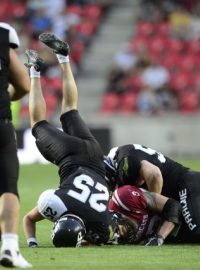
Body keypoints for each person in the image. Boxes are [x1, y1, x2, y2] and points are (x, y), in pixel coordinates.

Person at [23, 33, 116, 248]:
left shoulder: (101, 227)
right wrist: (32, 244)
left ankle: (64, 58)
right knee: (38, 123)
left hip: (95, 156)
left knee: (70, 109)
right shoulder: (54, 204)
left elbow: (103, 236)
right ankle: (35, 70)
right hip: (72, 156)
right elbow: (29, 219)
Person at [104, 143, 200, 239]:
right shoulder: (122, 156)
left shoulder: (125, 164)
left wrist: (155, 210)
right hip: (179, 192)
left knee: (196, 229)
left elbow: (154, 174)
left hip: (186, 184)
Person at [0, 23, 32, 268]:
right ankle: (10, 247)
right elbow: (23, 83)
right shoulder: (3, 32)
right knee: (8, 187)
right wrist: (6, 95)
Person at [109, 185, 182, 245]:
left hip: (181, 205)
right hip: (175, 238)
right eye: (119, 237)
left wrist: (159, 237)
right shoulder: (121, 240)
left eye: (119, 229)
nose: (121, 233)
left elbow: (173, 205)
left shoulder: (124, 198)